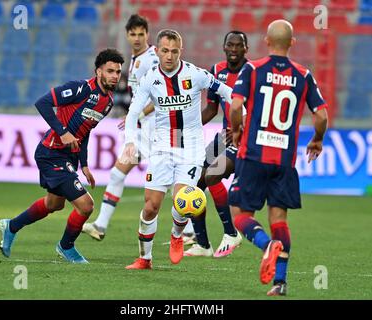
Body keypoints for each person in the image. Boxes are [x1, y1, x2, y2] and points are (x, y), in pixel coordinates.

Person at [229, 20, 328, 296]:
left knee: (240, 214)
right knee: (279, 219)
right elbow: (321, 114)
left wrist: (237, 130)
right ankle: (280, 283)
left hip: (253, 155)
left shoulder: (253, 69)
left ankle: (265, 245)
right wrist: (317, 139)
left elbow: (236, 105)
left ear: (267, 40)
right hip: (284, 161)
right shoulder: (304, 74)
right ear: (292, 43)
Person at [0, 49, 125, 264]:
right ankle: (66, 247)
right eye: (110, 71)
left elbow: (86, 130)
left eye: (118, 72)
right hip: (51, 152)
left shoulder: (108, 102)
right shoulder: (80, 88)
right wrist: (64, 133)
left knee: (53, 204)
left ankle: (11, 226)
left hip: (68, 158)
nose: (114, 75)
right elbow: (43, 103)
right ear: (98, 71)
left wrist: (84, 164)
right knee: (86, 205)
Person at [120, 29, 234, 270]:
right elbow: (132, 113)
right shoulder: (150, 78)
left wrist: (241, 118)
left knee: (182, 199)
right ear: (157, 51)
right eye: (164, 51)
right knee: (150, 206)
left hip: (191, 148)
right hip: (162, 146)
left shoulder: (195, 74)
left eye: (174, 51)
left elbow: (227, 92)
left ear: (180, 51)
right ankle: (145, 259)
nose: (169, 56)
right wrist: (130, 141)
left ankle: (176, 234)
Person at [82, 14, 162, 241]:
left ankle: (189, 231)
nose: (137, 38)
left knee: (171, 182)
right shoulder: (136, 58)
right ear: (127, 35)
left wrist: (135, 114)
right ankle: (100, 225)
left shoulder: (152, 58)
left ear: (148, 34)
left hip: (157, 130)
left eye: (141, 34)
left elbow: (161, 95)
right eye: (133, 34)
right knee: (117, 173)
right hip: (141, 131)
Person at [185, 31, 249, 258]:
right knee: (195, 181)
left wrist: (242, 129)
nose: (233, 49)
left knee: (212, 176)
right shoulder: (217, 71)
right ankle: (202, 244)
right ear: (224, 47)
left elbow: (258, 110)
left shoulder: (252, 73)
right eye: (229, 45)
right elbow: (212, 108)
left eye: (238, 46)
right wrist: (188, 128)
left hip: (244, 138)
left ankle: (231, 233)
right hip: (224, 137)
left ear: (245, 49)